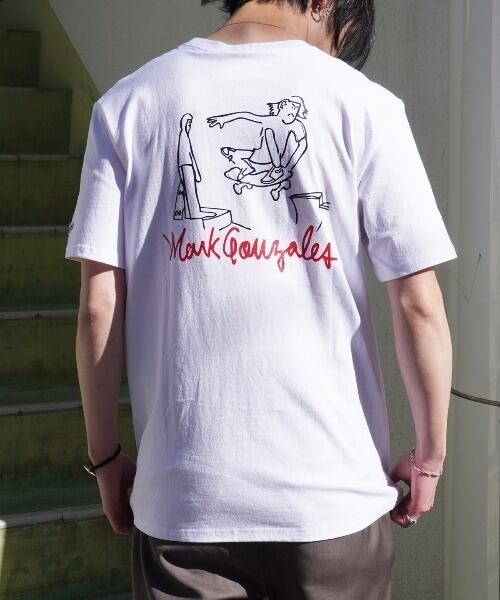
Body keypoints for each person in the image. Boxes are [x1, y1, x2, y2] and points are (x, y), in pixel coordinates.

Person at [65, 0, 458, 598]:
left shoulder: (127, 105)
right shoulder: (366, 106)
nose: (327, 61)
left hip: (183, 506)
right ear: (324, 4)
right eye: (337, 42)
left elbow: (99, 307)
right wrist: (429, 456)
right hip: (333, 503)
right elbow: (419, 304)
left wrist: (105, 456)